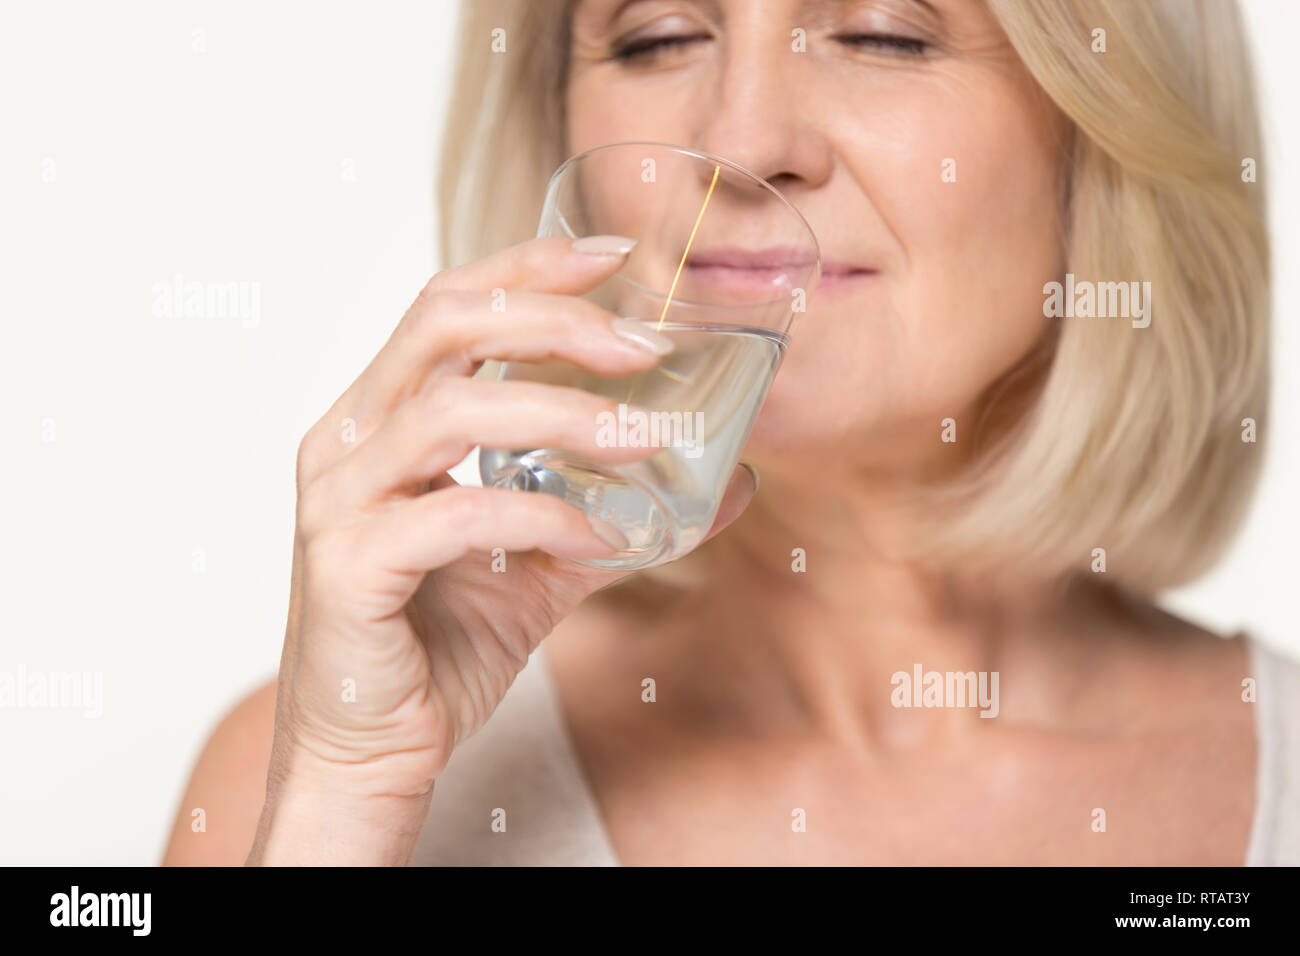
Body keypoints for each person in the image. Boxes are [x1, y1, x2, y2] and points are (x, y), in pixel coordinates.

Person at [163, 0, 1298, 866]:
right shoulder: (319, 775)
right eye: (659, 35)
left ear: (1103, 127)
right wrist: (338, 805)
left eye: (880, 32)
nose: (743, 136)